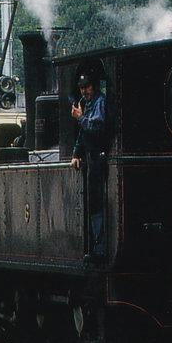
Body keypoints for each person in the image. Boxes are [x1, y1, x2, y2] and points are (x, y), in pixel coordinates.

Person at [70, 72, 109, 258]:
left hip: (99, 159)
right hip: (90, 159)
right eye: (81, 88)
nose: (84, 91)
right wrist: (76, 154)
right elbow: (83, 133)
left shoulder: (100, 102)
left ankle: (99, 247)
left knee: (97, 203)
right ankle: (96, 245)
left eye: (87, 87)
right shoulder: (86, 103)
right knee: (93, 203)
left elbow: (97, 128)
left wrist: (80, 118)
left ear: (94, 86)